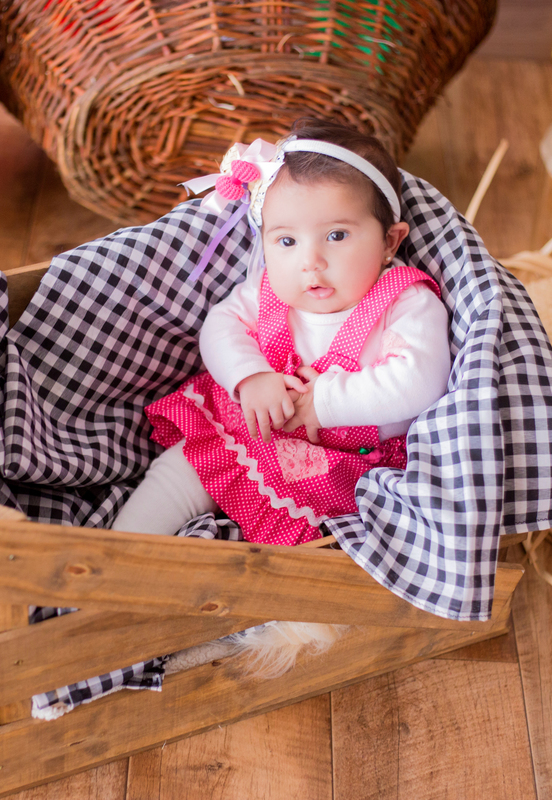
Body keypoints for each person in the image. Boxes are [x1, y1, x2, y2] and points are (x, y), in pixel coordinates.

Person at [111, 120, 453, 554]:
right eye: (287, 240)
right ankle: (113, 557)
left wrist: (324, 402)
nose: (310, 261)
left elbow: (419, 381)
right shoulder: (268, 288)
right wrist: (250, 376)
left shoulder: (404, 300)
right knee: (182, 469)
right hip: (248, 434)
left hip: (340, 469)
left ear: (389, 240)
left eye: (336, 235)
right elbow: (221, 325)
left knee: (311, 552)